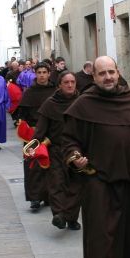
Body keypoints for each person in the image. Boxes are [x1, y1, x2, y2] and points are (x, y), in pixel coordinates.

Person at [62, 56, 130, 258]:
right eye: (102, 73)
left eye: (111, 72)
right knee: (100, 231)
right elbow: (69, 140)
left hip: (128, 177)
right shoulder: (84, 104)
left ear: (118, 72)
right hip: (97, 177)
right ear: (94, 77)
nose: (108, 77)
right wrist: (75, 156)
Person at [34, 71, 82, 230]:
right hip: (56, 150)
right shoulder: (50, 103)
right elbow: (40, 129)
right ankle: (59, 215)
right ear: (60, 84)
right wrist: (35, 145)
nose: (70, 85)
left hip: (76, 151)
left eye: (72, 82)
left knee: (75, 186)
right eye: (66, 82)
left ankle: (72, 217)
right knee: (56, 183)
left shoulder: (81, 102)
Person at [15, 62, 56, 210]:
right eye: (39, 72)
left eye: (45, 72)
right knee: (33, 166)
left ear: (49, 73)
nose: (42, 75)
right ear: (35, 74)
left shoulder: (55, 91)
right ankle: (35, 197)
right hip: (33, 134)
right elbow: (22, 115)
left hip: (51, 133)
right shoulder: (29, 92)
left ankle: (49, 196)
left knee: (50, 165)